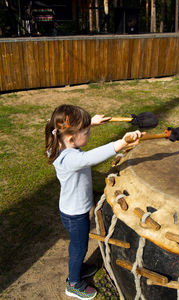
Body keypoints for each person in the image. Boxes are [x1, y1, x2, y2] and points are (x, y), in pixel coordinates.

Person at [45, 104, 143, 300]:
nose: (89, 133)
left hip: (71, 208)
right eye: (87, 131)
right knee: (79, 247)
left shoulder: (57, 144)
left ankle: (77, 267)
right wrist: (121, 143)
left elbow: (70, 131)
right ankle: (73, 283)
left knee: (78, 244)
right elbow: (91, 157)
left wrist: (92, 122)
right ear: (72, 138)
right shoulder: (71, 159)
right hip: (75, 213)